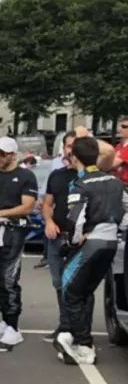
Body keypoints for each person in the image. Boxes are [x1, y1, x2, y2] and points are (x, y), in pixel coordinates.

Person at [55, 136, 127, 365]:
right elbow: (126, 213)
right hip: (111, 243)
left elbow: (75, 220)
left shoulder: (79, 184)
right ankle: (82, 341)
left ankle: (84, 345)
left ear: (74, 157)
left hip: (91, 244)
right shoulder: (115, 182)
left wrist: (73, 241)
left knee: (70, 291)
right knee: (84, 292)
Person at [0, 136, 38, 347]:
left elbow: (27, 207)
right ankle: (5, 320)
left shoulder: (25, 176)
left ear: (12, 155)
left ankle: (13, 326)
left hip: (12, 231)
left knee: (9, 278)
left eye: (2, 153)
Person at [41, 132, 76, 341]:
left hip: (79, 239)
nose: (70, 150)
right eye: (67, 146)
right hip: (57, 237)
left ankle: (79, 329)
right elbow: (47, 204)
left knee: (77, 285)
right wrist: (48, 221)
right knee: (59, 283)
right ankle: (65, 326)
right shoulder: (57, 175)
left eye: (74, 146)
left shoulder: (89, 175)